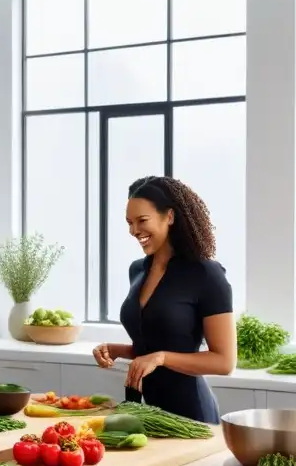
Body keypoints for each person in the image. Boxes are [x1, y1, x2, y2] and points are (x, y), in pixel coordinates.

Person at [92, 176, 236, 424]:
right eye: (129, 223)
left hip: (192, 418)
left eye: (142, 220)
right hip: (146, 412)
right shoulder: (137, 271)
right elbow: (157, 345)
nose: (134, 231)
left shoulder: (206, 274)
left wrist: (159, 358)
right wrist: (118, 351)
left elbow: (224, 362)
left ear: (169, 217)